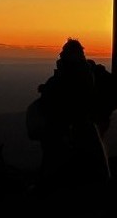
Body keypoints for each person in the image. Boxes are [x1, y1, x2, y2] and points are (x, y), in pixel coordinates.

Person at [35, 39, 110, 189]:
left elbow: (69, 98)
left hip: (69, 128)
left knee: (62, 162)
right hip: (76, 127)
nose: (60, 54)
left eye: (64, 52)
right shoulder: (82, 73)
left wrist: (48, 91)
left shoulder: (73, 75)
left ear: (72, 55)